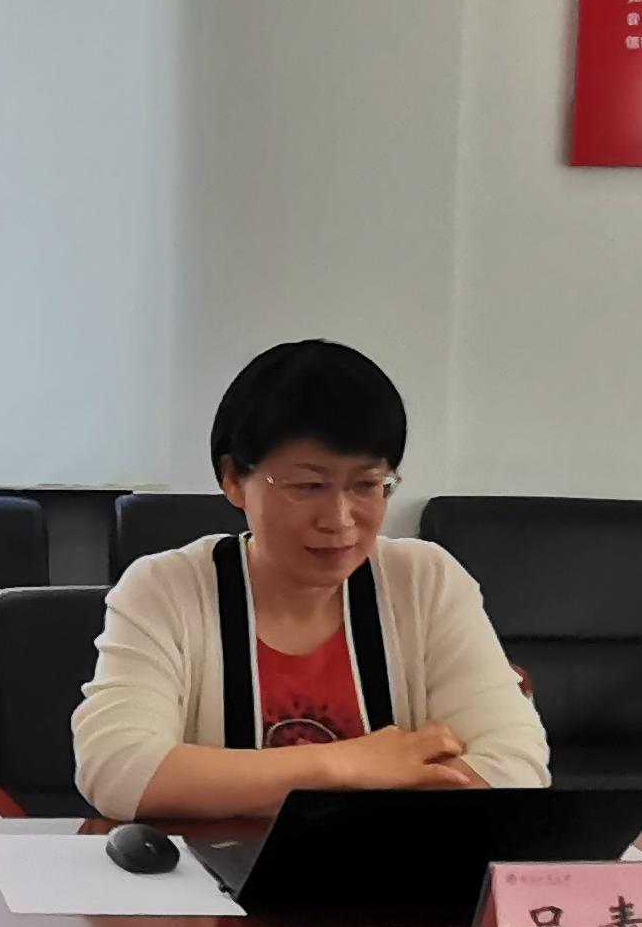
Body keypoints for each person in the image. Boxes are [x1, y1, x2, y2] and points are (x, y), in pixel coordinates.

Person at [72, 340, 550, 822]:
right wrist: (348, 765)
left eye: (367, 485)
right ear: (233, 478)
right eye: (308, 486)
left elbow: (514, 763)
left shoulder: (425, 581)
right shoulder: (165, 589)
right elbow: (118, 769)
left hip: (385, 866)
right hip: (214, 870)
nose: (339, 520)